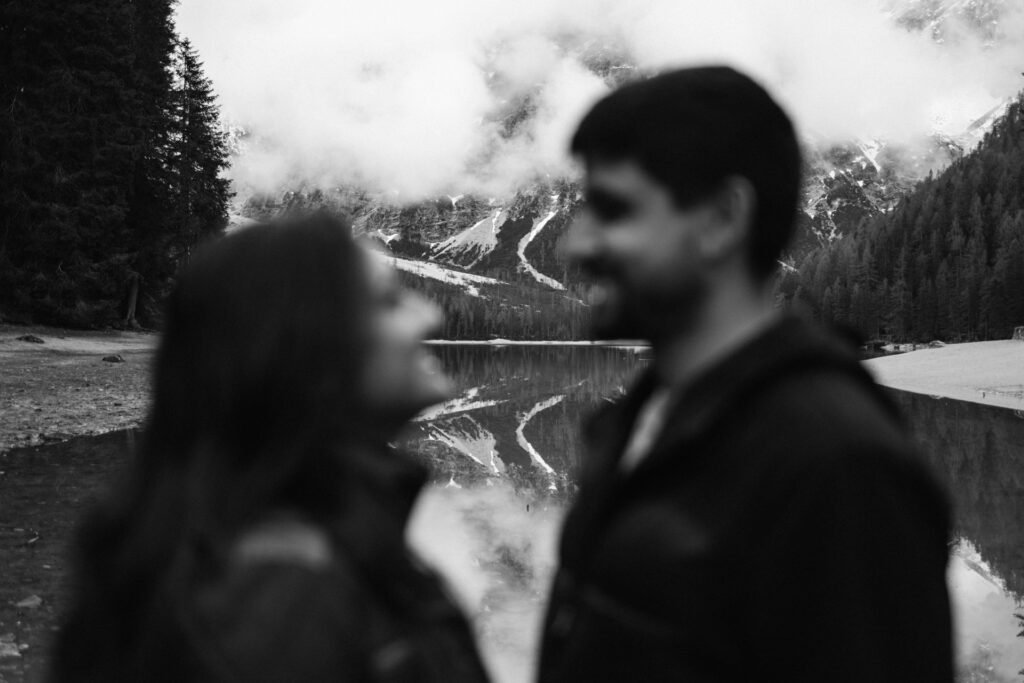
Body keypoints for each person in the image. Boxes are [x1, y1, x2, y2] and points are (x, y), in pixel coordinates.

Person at [538, 67, 953, 682]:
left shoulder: (836, 463)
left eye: (614, 209)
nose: (576, 246)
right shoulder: (638, 420)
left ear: (721, 219)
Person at [50, 213, 491, 682]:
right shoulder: (281, 600)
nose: (431, 316)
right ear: (305, 346)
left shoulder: (306, 539)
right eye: (389, 301)